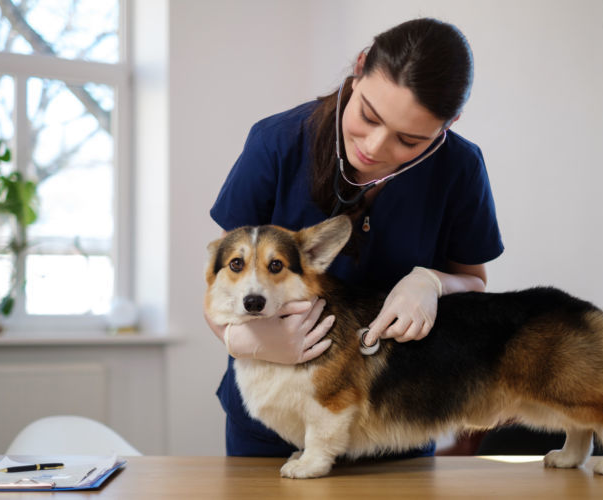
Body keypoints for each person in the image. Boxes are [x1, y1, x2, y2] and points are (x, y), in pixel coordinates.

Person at [205, 18, 504, 457]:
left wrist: (433, 283)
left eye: (409, 140)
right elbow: (221, 279)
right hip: (275, 419)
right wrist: (244, 341)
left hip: (395, 421)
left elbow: (475, 282)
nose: (376, 147)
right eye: (368, 115)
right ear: (360, 66)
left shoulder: (460, 169)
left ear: (448, 124)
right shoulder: (277, 143)